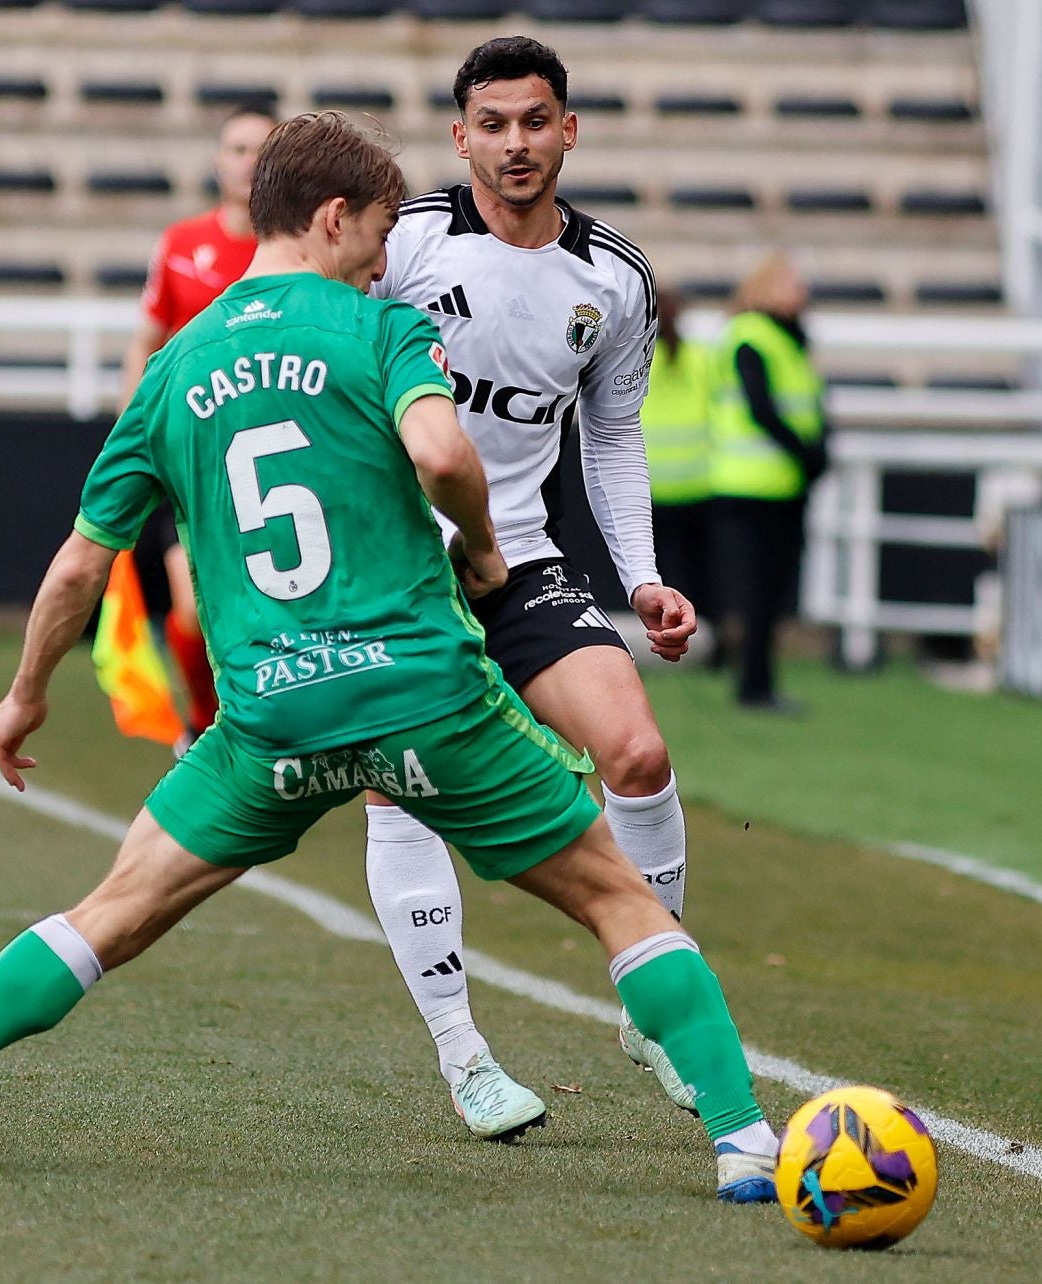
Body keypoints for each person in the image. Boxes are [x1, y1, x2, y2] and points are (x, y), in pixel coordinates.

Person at [0, 113, 783, 1203]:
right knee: (623, 902)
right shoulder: (380, 331)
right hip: (422, 695)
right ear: (334, 219)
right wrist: (483, 553)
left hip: (270, 720)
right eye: (380, 235)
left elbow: (76, 570)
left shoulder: (172, 368)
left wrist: (20, 698)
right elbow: (442, 451)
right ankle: (748, 1147)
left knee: (110, 911)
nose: (387, 262)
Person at [359, 37, 702, 1141]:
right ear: (460, 138)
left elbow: (612, 440)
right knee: (400, 787)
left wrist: (642, 579)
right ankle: (465, 1056)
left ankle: (652, 1005)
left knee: (638, 754)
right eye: (493, 124)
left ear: (569, 130)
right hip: (394, 569)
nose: (516, 142)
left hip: (518, 561)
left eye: (535, 121)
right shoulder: (403, 242)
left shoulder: (614, 278)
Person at [117, 106, 277, 738]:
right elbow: (145, 341)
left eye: (263, 149)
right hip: (194, 453)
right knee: (190, 606)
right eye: (238, 149)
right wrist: (139, 424)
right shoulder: (183, 244)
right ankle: (204, 724)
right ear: (217, 162)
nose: (249, 161)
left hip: (275, 450)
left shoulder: (292, 252)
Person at [707, 253, 828, 710]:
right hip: (752, 486)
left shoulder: (787, 339)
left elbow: (807, 404)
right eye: (792, 284)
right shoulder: (753, 336)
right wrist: (807, 452)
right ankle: (752, 684)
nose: (802, 293)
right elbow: (763, 409)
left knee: (769, 592)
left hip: (781, 485)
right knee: (758, 592)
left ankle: (756, 680)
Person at [641, 286, 718, 633]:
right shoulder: (701, 358)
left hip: (649, 484)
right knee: (701, 571)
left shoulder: (635, 358)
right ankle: (709, 638)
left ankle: (662, 632)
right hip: (697, 481)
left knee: (652, 574)